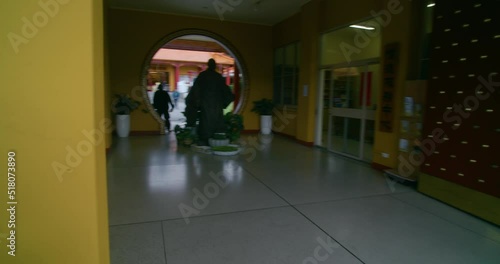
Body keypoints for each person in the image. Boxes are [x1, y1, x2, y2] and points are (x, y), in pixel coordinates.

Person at [185, 59, 234, 145]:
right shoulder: (218, 77)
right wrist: (224, 103)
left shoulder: (203, 76)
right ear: (214, 66)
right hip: (216, 104)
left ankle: (205, 139)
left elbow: (195, 90)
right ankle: (216, 138)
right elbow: (227, 92)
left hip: (206, 103)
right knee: (216, 121)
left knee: (205, 120)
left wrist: (196, 102)